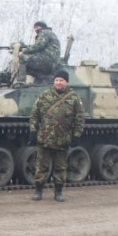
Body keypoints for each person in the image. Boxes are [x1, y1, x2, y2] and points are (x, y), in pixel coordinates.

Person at [28, 68, 85, 202]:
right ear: (54, 81)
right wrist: (32, 131)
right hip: (45, 138)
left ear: (66, 82)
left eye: (61, 80)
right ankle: (38, 191)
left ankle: (58, 192)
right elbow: (34, 114)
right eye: (57, 80)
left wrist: (77, 135)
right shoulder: (45, 95)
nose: (59, 83)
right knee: (41, 167)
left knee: (60, 167)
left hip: (62, 139)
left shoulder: (73, 98)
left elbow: (80, 118)